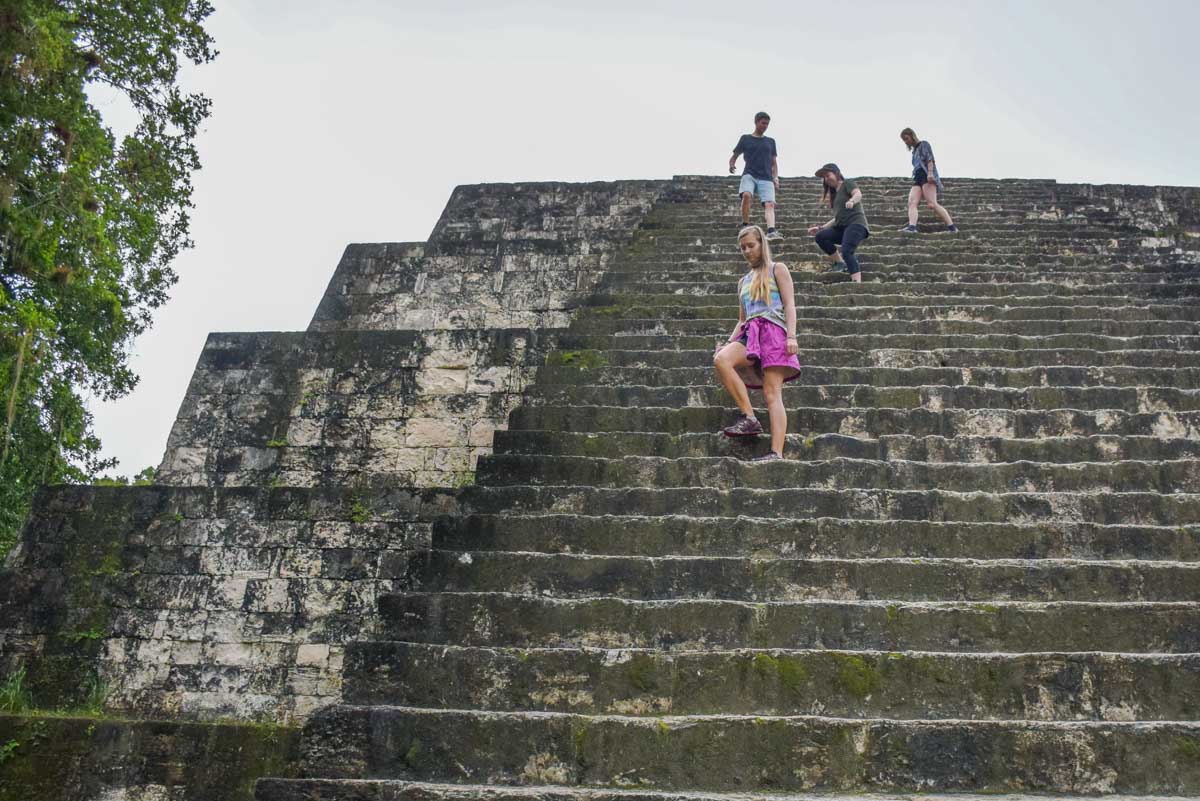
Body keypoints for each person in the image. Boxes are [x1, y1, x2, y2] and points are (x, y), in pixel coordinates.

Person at [712, 225, 801, 462]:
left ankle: (776, 452)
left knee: (772, 393)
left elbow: (790, 305)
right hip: (749, 334)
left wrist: (791, 336)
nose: (747, 251)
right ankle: (749, 417)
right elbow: (742, 319)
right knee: (721, 360)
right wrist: (728, 343)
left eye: (751, 245)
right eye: (743, 248)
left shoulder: (777, 269)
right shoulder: (743, 282)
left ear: (762, 243)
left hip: (774, 332)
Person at [807, 163, 869, 283]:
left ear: (836, 173)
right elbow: (837, 218)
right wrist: (821, 227)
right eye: (824, 177)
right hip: (842, 228)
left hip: (856, 225)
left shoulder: (847, 183)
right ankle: (840, 263)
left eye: (828, 175)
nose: (826, 178)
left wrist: (852, 200)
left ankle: (857, 283)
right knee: (821, 236)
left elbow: (858, 194)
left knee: (847, 251)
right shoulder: (834, 195)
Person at [728, 112, 783, 241]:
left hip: (766, 177)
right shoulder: (745, 139)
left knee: (769, 204)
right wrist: (731, 164)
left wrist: (776, 177)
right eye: (763, 123)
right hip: (750, 174)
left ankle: (771, 231)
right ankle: (745, 225)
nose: (765, 126)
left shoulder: (770, 141)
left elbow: (774, 162)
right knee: (746, 195)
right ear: (756, 122)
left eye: (767, 124)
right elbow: (734, 156)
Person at [899, 127, 958, 233]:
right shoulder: (914, 151)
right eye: (904, 140)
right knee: (912, 202)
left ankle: (952, 228)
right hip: (917, 177)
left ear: (912, 136)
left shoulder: (924, 144)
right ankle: (912, 227)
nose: (906, 141)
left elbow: (930, 159)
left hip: (926, 175)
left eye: (907, 138)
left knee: (932, 204)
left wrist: (930, 173)